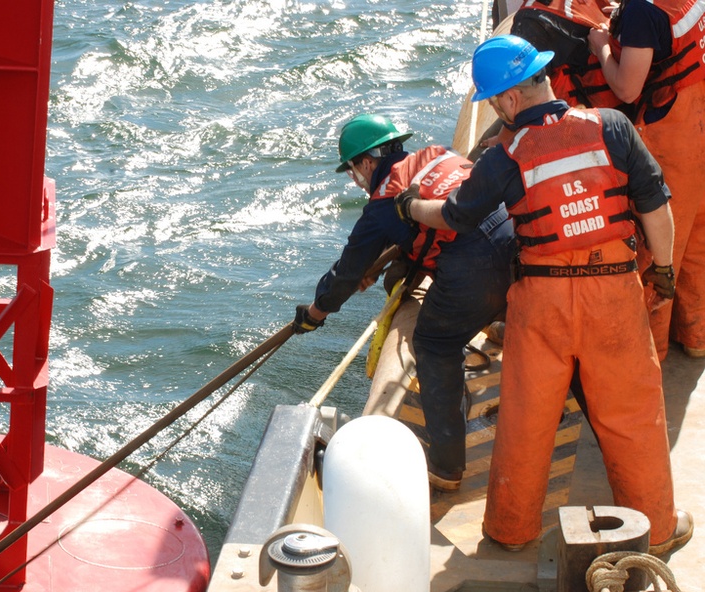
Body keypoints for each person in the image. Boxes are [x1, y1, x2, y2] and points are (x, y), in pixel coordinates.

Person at [402, 34, 693, 555]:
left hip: (543, 302)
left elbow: (453, 217)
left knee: (526, 419)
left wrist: (411, 208)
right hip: (613, 295)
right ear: (542, 78)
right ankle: (656, 530)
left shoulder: (502, 158)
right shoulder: (612, 127)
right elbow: (654, 207)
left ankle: (511, 530)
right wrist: (664, 272)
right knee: (632, 415)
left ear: (509, 99)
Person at [293, 113, 516, 492]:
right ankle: (499, 324)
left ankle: (446, 468)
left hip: (476, 274)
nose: (355, 179)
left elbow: (345, 274)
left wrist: (314, 315)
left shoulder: (382, 204)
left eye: (352, 170)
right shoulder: (437, 157)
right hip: (517, 247)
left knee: (434, 344)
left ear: (366, 162)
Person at [588, 0, 705, 359]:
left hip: (672, 139)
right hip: (697, 120)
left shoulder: (642, 9)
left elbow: (627, 89)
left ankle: (649, 350)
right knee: (697, 241)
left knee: (658, 248)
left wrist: (601, 45)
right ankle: (695, 336)